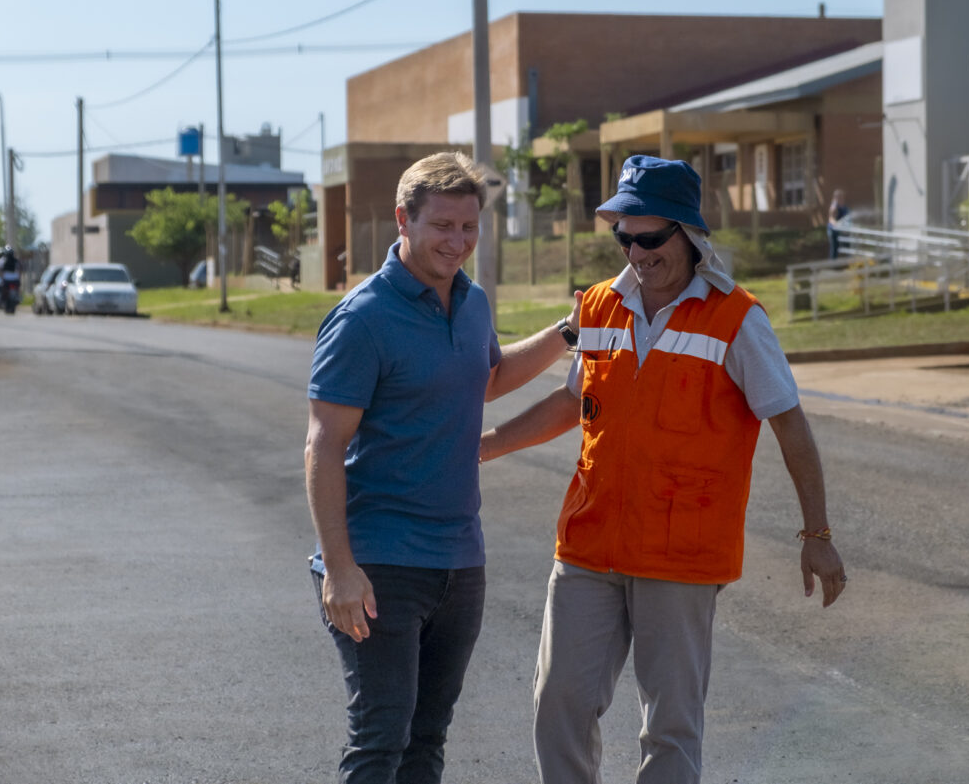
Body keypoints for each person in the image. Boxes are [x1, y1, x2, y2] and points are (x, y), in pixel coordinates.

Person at [479, 155, 846, 784]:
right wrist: (481, 448)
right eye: (625, 237)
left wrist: (817, 536)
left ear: (688, 232)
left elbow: (789, 424)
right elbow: (575, 400)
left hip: (681, 555)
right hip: (590, 544)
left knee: (670, 726)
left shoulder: (736, 318)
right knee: (558, 702)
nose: (636, 253)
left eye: (651, 238)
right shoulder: (598, 306)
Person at [304, 151, 582, 784]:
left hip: (459, 562)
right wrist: (341, 570)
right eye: (442, 227)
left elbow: (484, 378)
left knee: (427, 738)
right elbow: (322, 446)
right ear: (403, 220)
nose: (457, 242)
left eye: (468, 228)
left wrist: (567, 332)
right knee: (381, 737)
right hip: (379, 563)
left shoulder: (472, 300)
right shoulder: (363, 319)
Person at [826, 188, 850, 259]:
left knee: (847, 245)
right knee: (834, 248)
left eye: (842, 196)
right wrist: (837, 224)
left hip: (842, 230)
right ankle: (832, 265)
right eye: (840, 196)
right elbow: (831, 218)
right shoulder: (834, 206)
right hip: (834, 230)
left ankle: (850, 262)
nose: (842, 198)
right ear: (836, 197)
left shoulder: (843, 205)